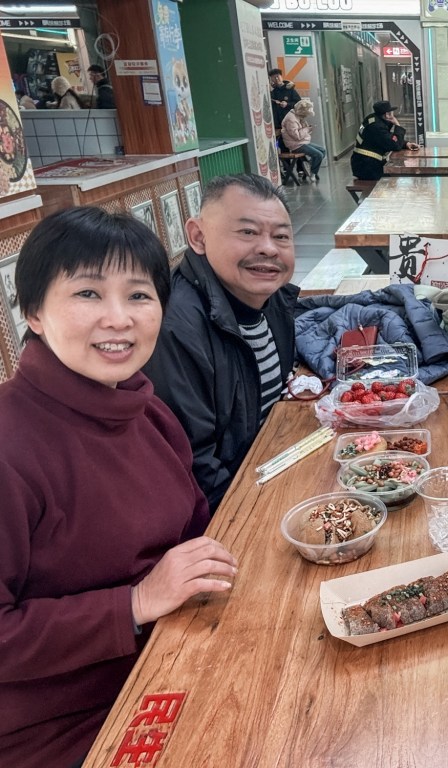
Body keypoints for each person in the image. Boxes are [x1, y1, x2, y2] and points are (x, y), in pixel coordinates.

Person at [0, 206, 236, 768]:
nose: (119, 318)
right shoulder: (10, 441)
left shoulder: (146, 411)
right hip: (66, 725)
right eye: (88, 293)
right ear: (33, 312)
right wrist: (135, 603)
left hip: (173, 658)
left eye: (138, 295)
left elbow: (195, 536)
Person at [143, 174, 298, 512]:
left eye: (281, 236)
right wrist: (262, 513)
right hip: (228, 511)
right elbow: (193, 466)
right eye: (248, 232)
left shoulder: (271, 298)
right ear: (198, 237)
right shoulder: (174, 329)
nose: (269, 248)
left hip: (267, 470)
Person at [351, 100, 420, 181]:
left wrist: (406, 144)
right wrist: (397, 125)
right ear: (387, 114)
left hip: (362, 162)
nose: (393, 115)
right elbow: (395, 145)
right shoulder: (377, 127)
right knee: (394, 178)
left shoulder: (372, 119)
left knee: (394, 175)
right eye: (391, 112)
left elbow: (388, 138)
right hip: (367, 167)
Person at [280, 98, 325, 181]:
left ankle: (309, 166)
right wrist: (307, 129)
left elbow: (300, 132)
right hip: (295, 145)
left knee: (323, 150)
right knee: (318, 155)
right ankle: (312, 173)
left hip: (301, 142)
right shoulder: (291, 119)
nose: (306, 116)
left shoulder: (297, 116)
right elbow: (297, 136)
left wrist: (306, 127)